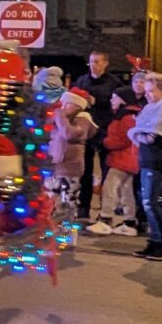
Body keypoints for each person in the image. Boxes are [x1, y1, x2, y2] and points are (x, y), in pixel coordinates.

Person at [130, 72, 162, 260]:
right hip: (148, 160)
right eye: (146, 91)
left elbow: (151, 136)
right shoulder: (153, 108)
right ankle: (155, 241)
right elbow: (141, 134)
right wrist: (140, 134)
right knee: (148, 202)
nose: (147, 95)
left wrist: (140, 134)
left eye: (151, 91)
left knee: (150, 203)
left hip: (154, 161)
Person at [88, 86, 141, 236]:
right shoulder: (131, 114)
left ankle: (105, 219)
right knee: (126, 190)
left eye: (114, 97)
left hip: (123, 158)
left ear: (122, 99)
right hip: (129, 158)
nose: (112, 100)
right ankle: (129, 221)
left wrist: (104, 142)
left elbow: (124, 139)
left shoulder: (126, 116)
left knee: (110, 187)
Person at [73, 51, 120, 220]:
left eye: (97, 62)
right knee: (85, 171)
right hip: (85, 132)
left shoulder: (113, 82)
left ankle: (105, 210)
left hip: (104, 131)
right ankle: (83, 206)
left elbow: (116, 104)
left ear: (105, 63)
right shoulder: (82, 81)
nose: (94, 65)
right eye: (92, 61)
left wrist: (97, 101)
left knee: (107, 172)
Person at [50, 88, 97, 225]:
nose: (63, 107)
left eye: (67, 103)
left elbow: (69, 134)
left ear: (77, 105)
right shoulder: (63, 119)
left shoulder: (83, 119)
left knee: (68, 205)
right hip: (56, 166)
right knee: (52, 204)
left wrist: (59, 116)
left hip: (70, 168)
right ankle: (49, 235)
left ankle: (66, 239)